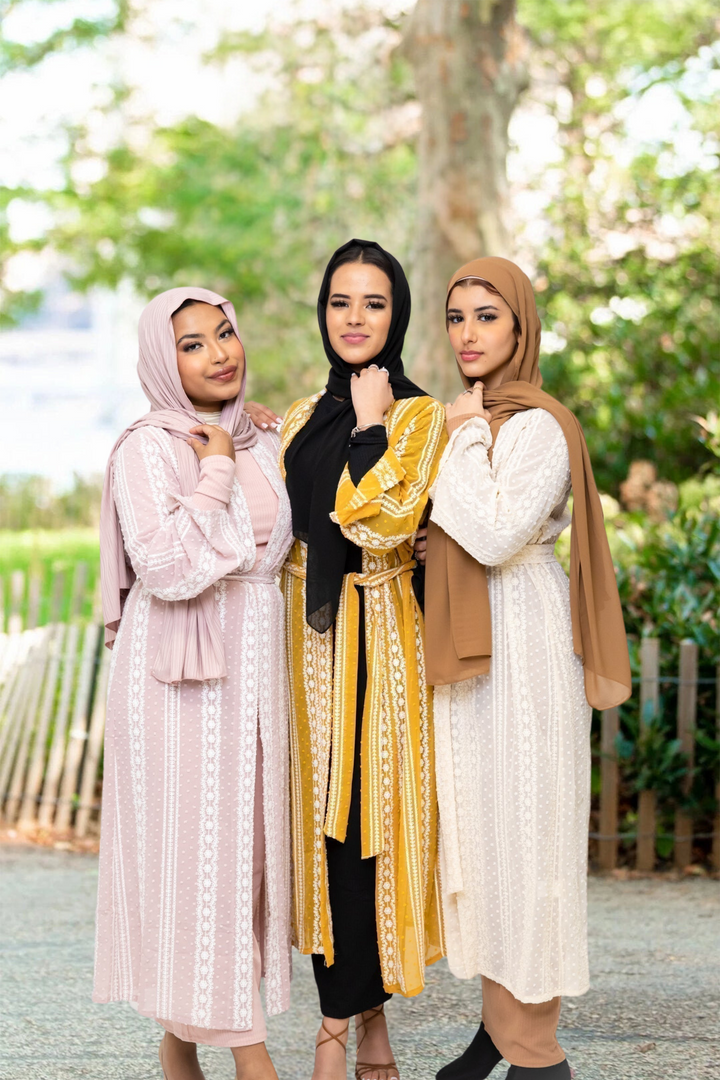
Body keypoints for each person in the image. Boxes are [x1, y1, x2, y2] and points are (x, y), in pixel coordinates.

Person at [416, 258, 631, 1080]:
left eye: (487, 317)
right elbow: (453, 520)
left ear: (521, 328)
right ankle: (494, 1030)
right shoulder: (472, 417)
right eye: (457, 316)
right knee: (483, 825)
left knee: (529, 834)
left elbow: (498, 533)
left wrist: (463, 438)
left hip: (528, 645)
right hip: (476, 651)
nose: (469, 334)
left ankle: (537, 1056)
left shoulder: (539, 424)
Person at [93, 287, 293, 1080]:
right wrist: (213, 470)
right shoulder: (147, 448)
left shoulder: (264, 439)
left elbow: (284, 550)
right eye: (192, 344)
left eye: (225, 333)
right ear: (160, 361)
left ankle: (178, 1049)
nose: (219, 353)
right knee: (193, 854)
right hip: (173, 681)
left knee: (242, 862)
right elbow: (169, 568)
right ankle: (252, 1055)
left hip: (255, 669)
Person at [278, 239, 446, 1080]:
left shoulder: (417, 415)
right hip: (307, 651)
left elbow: (375, 524)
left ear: (397, 315)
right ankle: (364, 1027)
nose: (354, 319)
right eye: (341, 302)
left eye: (373, 303)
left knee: (366, 831)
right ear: (324, 312)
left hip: (378, 641)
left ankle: (336, 1033)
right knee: (319, 834)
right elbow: (286, 531)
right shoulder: (304, 415)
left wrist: (373, 425)